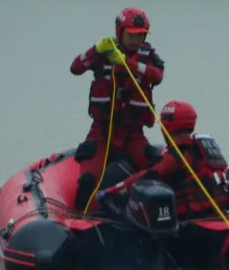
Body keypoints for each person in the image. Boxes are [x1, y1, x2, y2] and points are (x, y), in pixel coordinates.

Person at [70, 7, 165, 211]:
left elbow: (157, 75)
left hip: (133, 135)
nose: (136, 40)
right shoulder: (104, 52)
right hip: (102, 133)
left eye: (140, 35)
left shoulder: (149, 55)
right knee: (87, 181)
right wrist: (95, 49)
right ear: (119, 31)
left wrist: (127, 63)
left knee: (157, 171)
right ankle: (79, 221)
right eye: (131, 34)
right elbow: (75, 67)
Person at [92, 99, 229, 220]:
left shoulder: (174, 158)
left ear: (167, 125)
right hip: (217, 213)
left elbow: (144, 177)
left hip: (190, 219)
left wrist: (110, 192)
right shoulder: (201, 149)